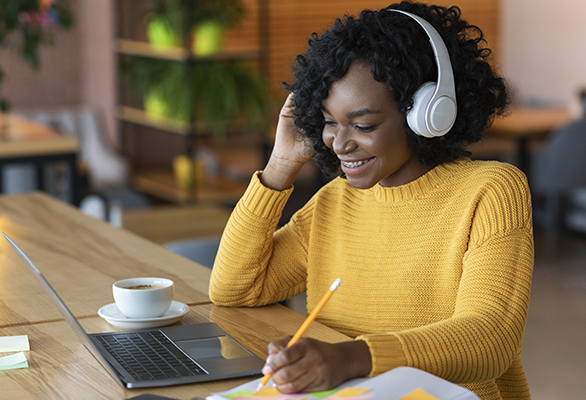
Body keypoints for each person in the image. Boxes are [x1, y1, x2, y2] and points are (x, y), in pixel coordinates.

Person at [208, 2, 533, 400]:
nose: (339, 143)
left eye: (363, 125)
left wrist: (349, 357)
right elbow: (236, 289)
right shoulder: (334, 201)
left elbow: (490, 339)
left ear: (427, 114)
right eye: (329, 121)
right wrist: (280, 165)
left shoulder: (491, 190)